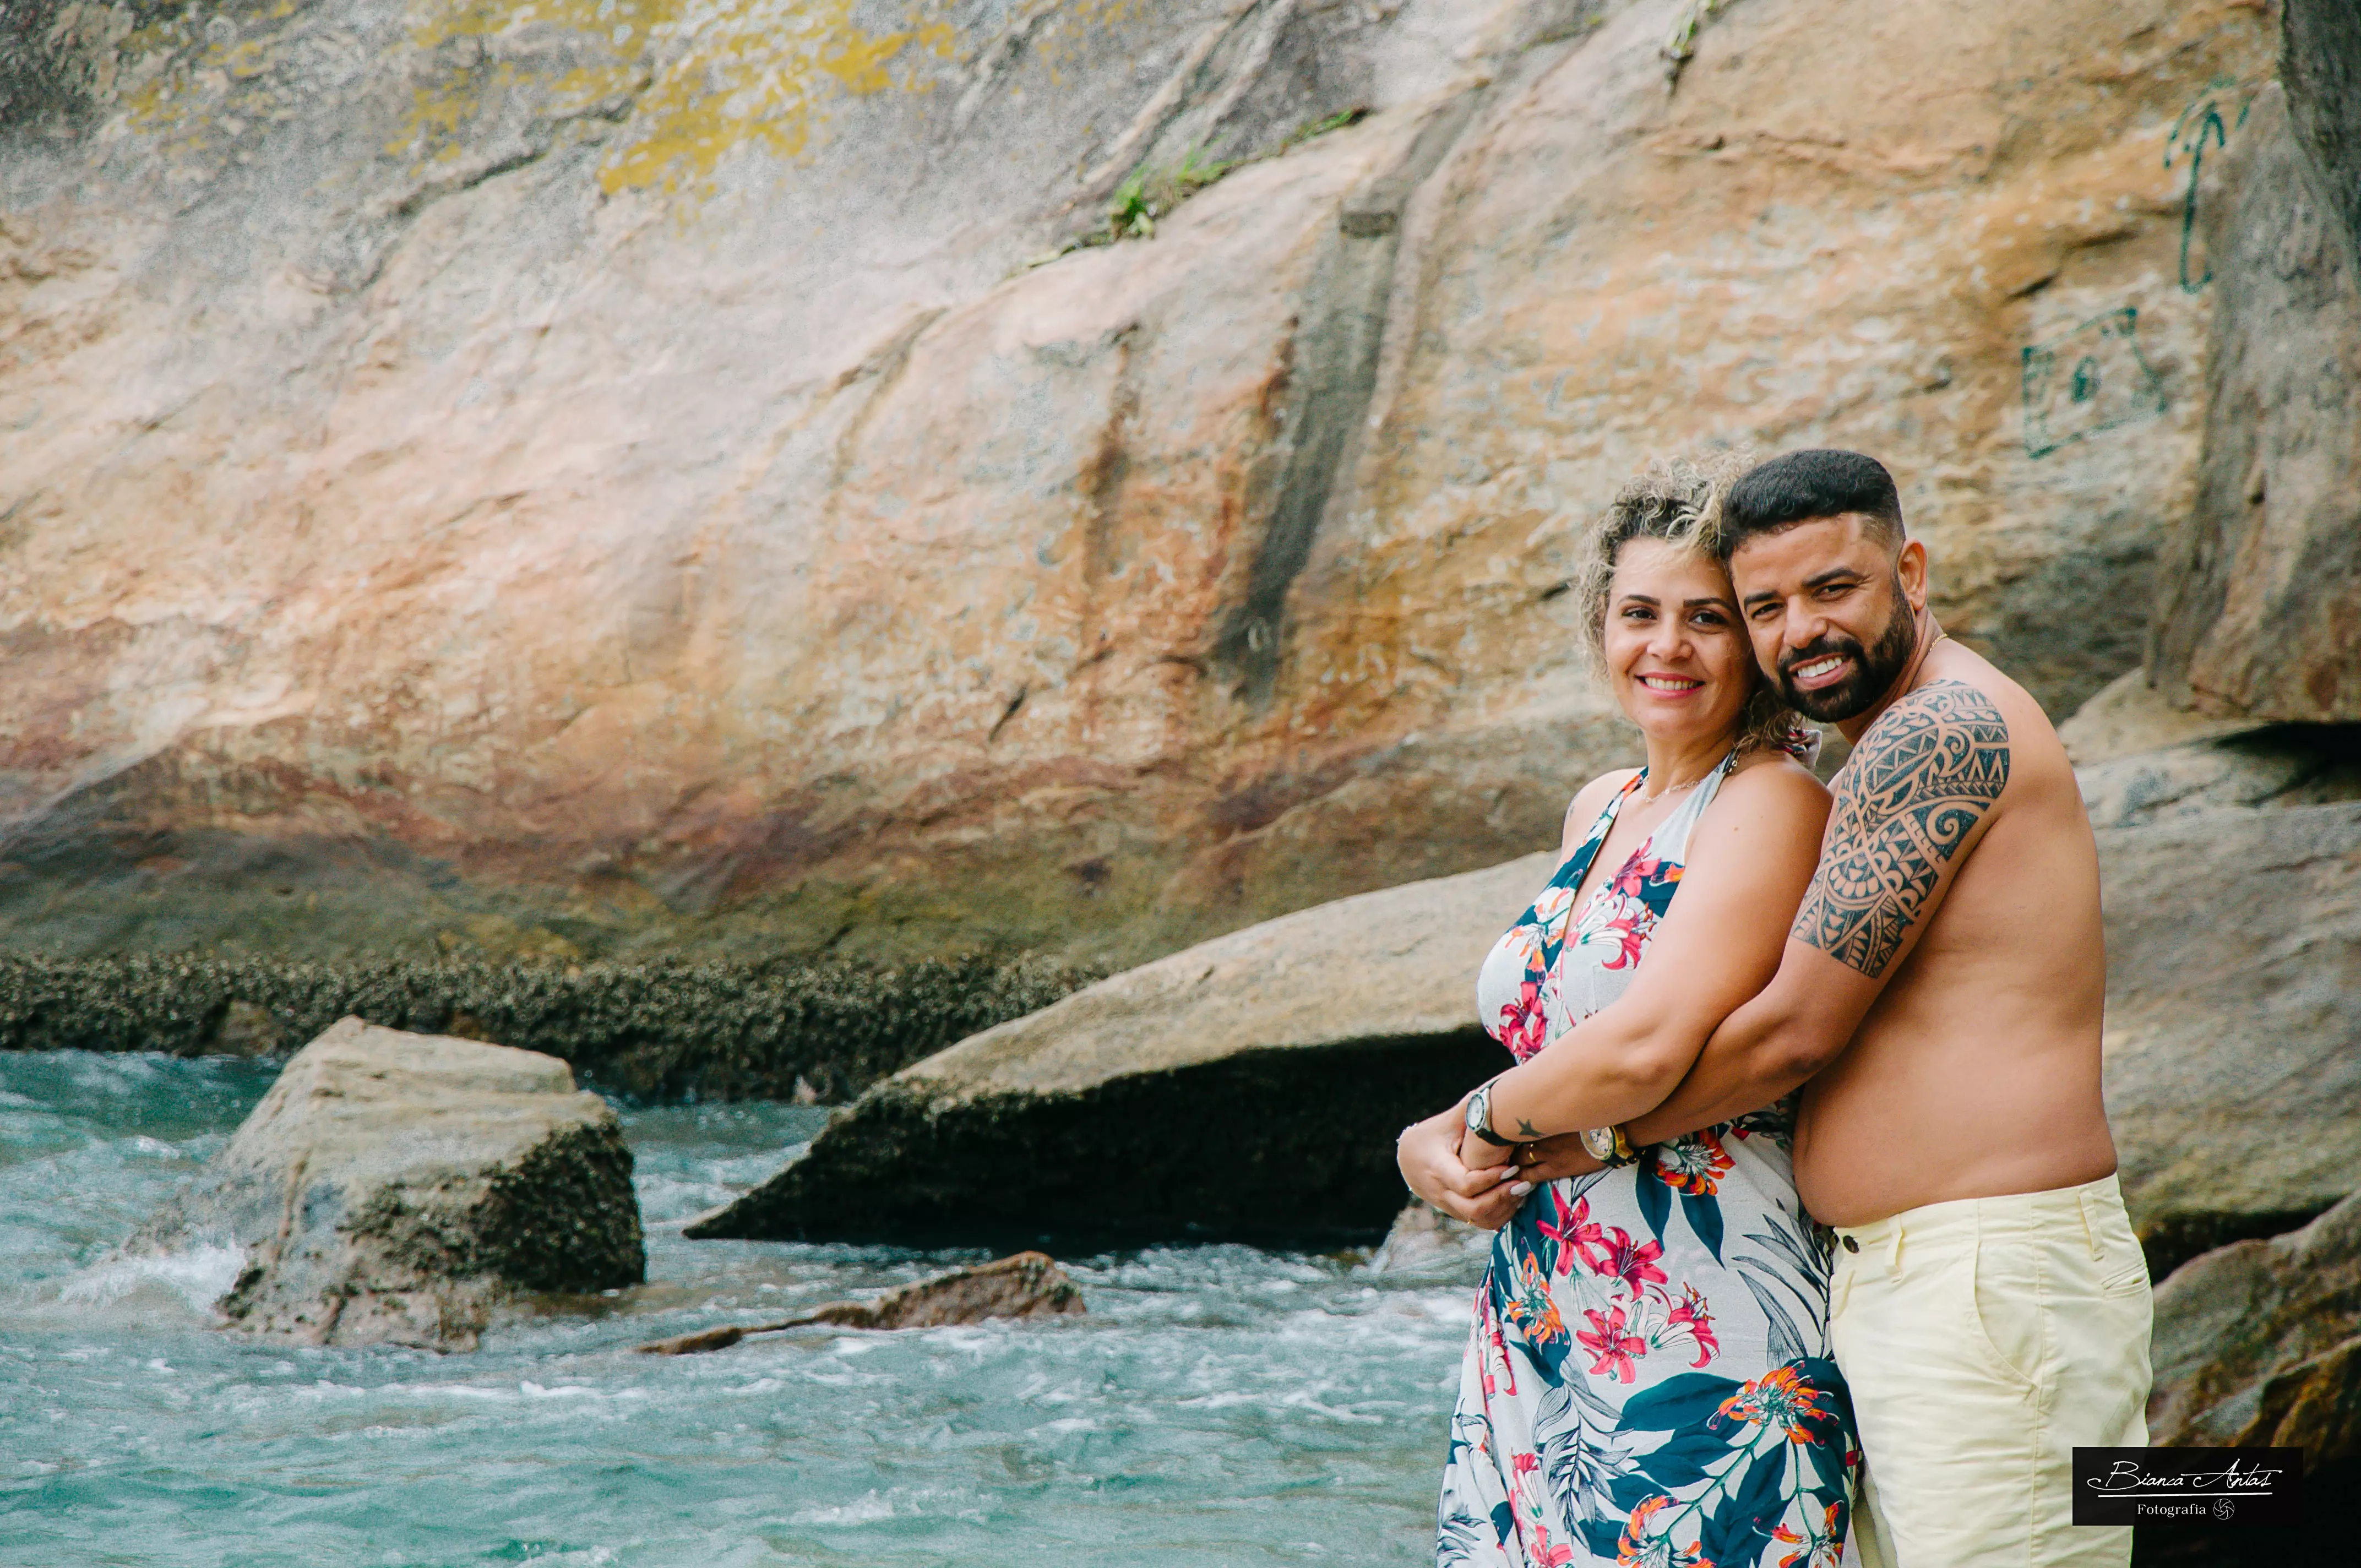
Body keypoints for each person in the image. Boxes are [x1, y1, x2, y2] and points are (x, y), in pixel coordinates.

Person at [1415, 449, 2153, 1568]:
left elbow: (1787, 1032)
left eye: (1833, 589)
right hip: (1900, 1277)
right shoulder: (1877, 741)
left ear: (1909, 569)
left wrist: (1552, 1132)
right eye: (1767, 604)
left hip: (1990, 1279)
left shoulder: (1935, 729)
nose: (1799, 627)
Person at [1402, 454, 1858, 1568]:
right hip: (1545, 1299)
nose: (1666, 646)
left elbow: (1650, 1042)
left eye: (1705, 618)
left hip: (1702, 1312)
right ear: (1596, 624)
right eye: (1638, 612)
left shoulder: (1769, 801)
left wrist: (1475, 1126)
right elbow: (1561, 1039)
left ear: (1750, 644)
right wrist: (1427, 1142)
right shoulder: (1599, 806)